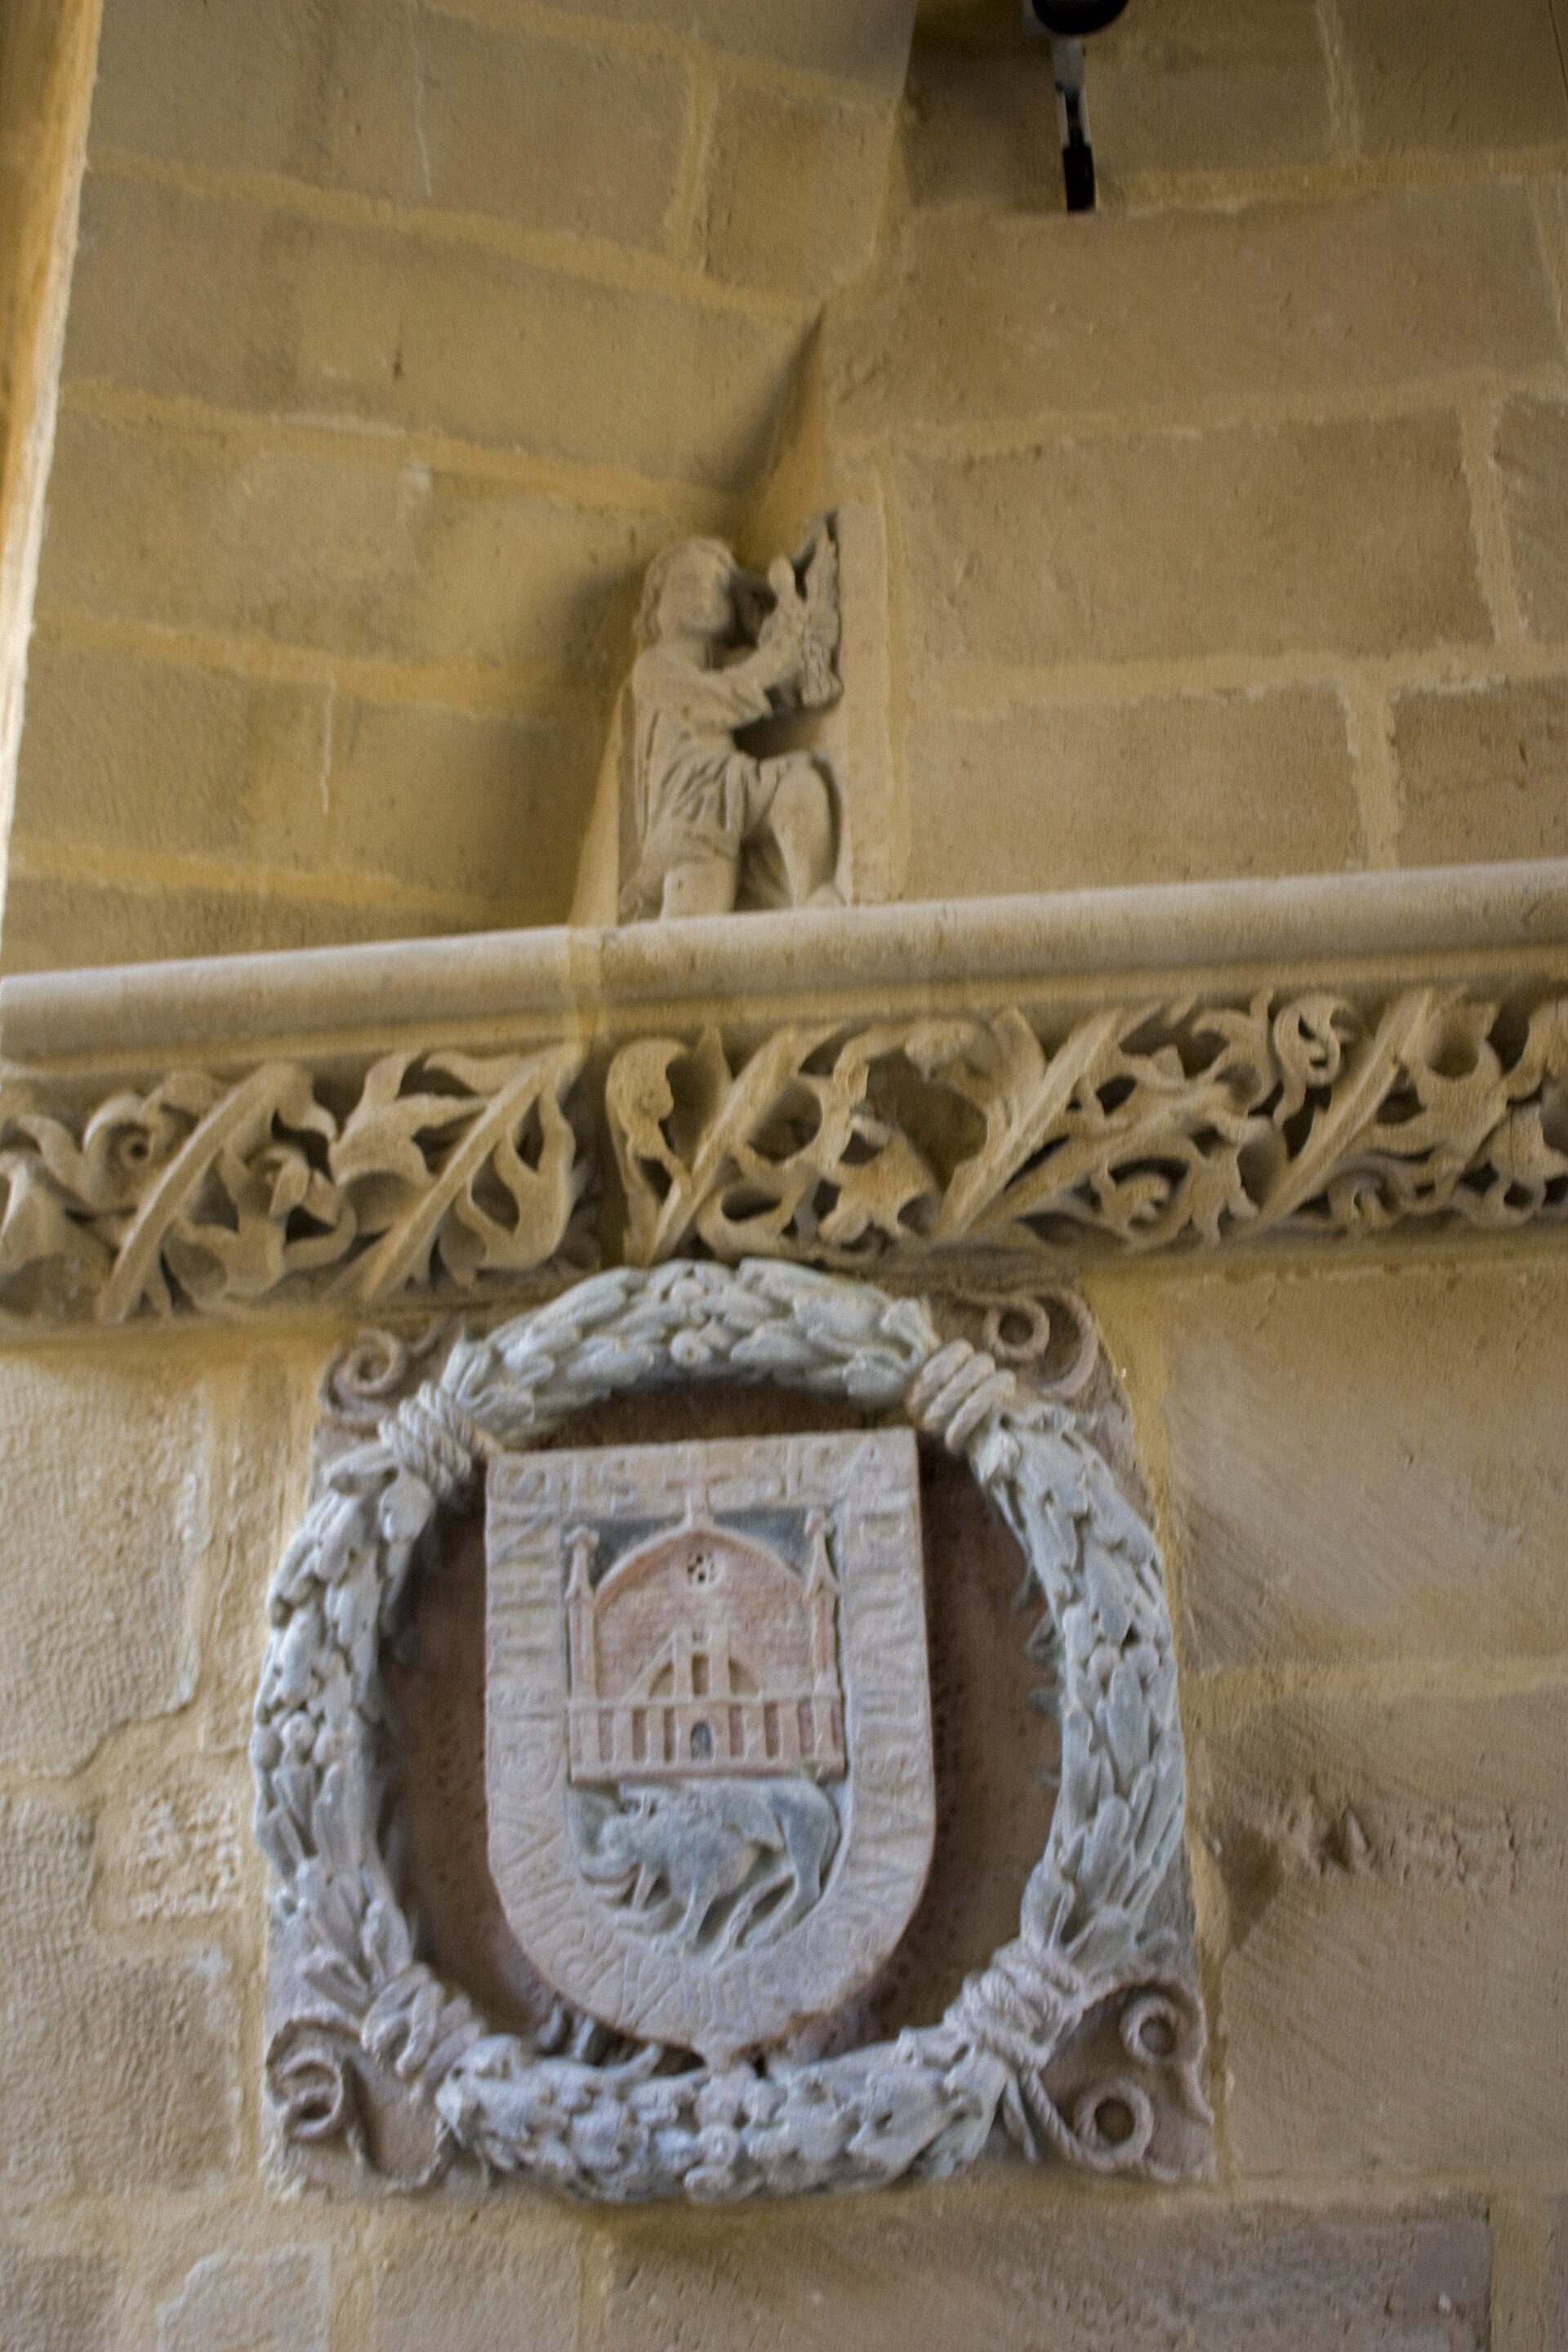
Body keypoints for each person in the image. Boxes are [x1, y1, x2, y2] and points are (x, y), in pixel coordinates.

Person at [619, 524, 842, 921]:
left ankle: (813, 898)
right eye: (689, 584)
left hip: (732, 779)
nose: (705, 594)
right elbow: (707, 703)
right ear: (654, 605)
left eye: (718, 587)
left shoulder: (728, 660)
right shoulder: (654, 666)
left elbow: (787, 685)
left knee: (800, 783)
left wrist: (788, 622)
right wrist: (774, 660)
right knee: (697, 920)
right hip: (690, 804)